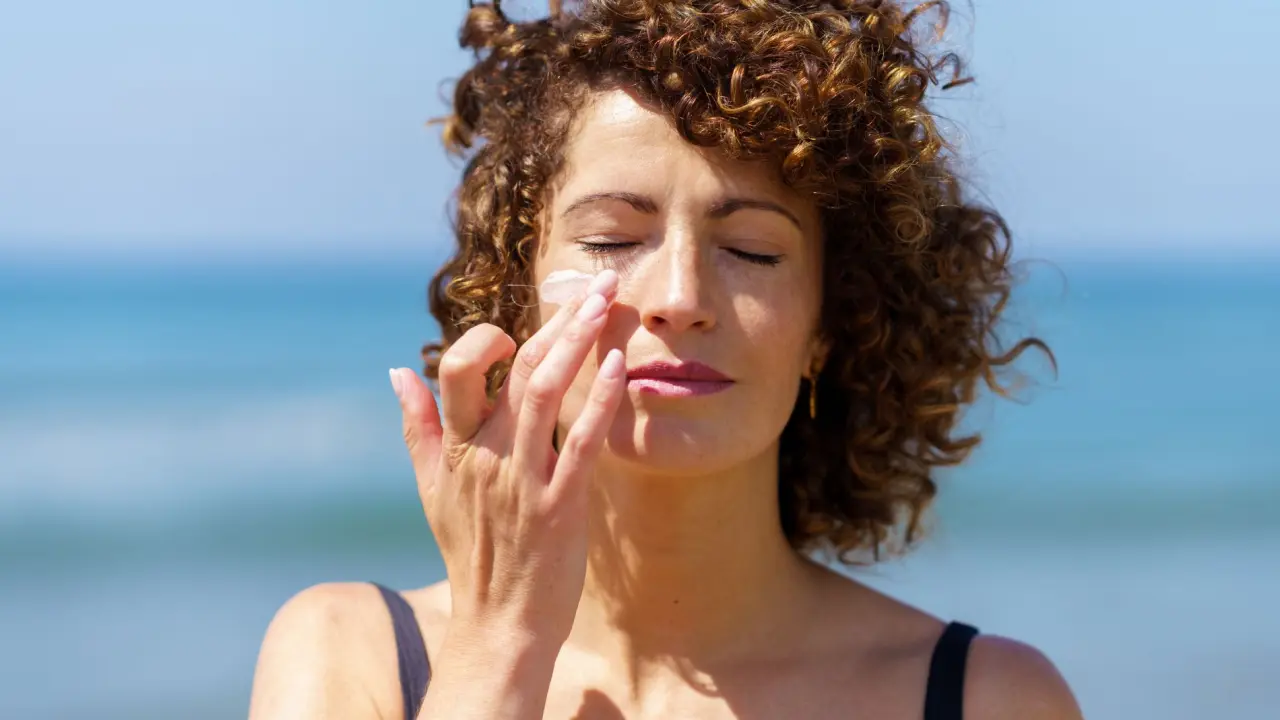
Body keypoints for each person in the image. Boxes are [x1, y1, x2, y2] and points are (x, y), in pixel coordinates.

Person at [248, 1, 1082, 718]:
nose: (680, 297)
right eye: (613, 240)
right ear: (517, 294)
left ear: (830, 324)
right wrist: (500, 645)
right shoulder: (346, 655)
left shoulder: (991, 699)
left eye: (752, 251)